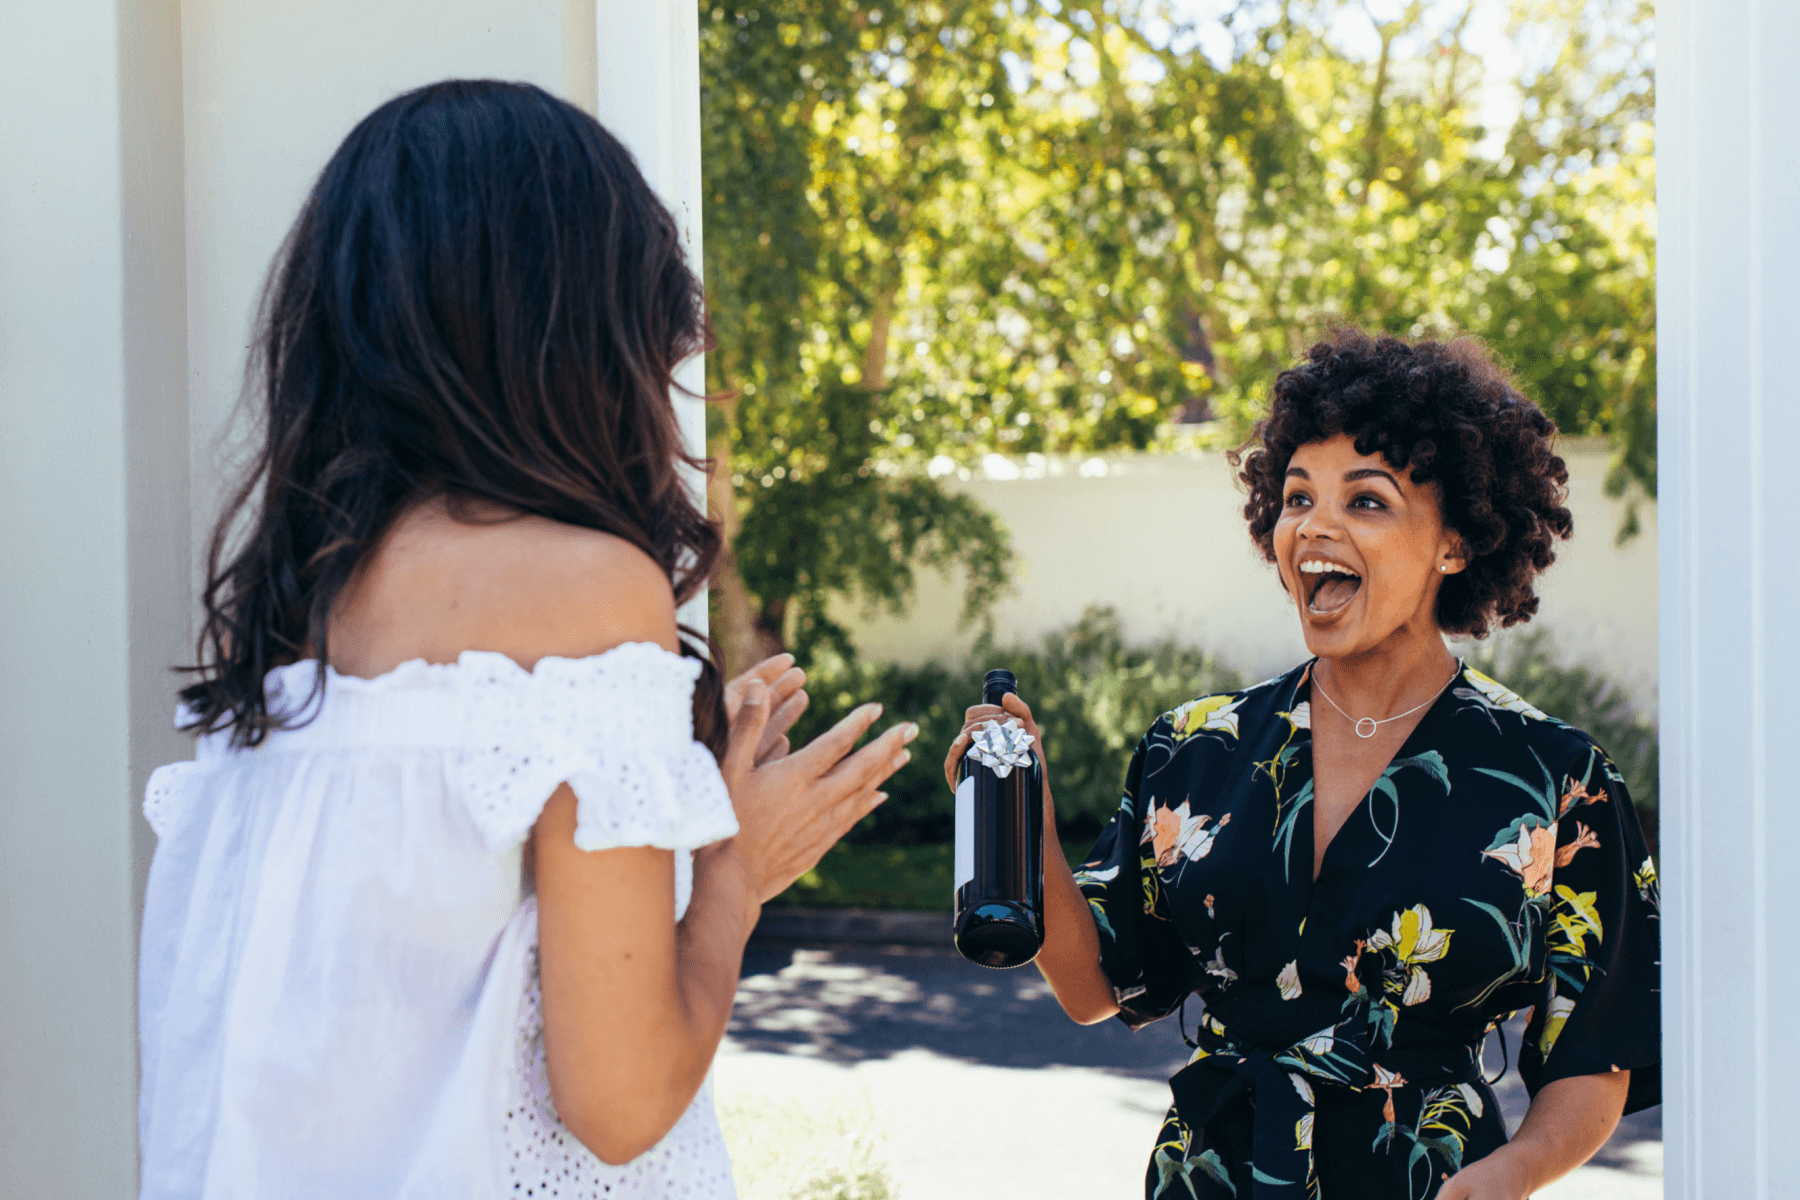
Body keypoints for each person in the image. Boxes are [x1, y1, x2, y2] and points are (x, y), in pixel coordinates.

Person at [136, 80, 917, 1199]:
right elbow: (621, 1106)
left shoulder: (292, 623)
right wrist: (734, 872)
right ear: (581, 330)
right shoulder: (587, 594)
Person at [946, 330, 1660, 1200]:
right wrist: (1029, 823)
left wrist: (1507, 1177)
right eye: (1296, 498)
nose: (1314, 526)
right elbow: (1096, 983)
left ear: (1456, 542)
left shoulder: (1557, 778)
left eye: (1366, 502)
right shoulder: (1193, 747)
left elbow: (1596, 1051)